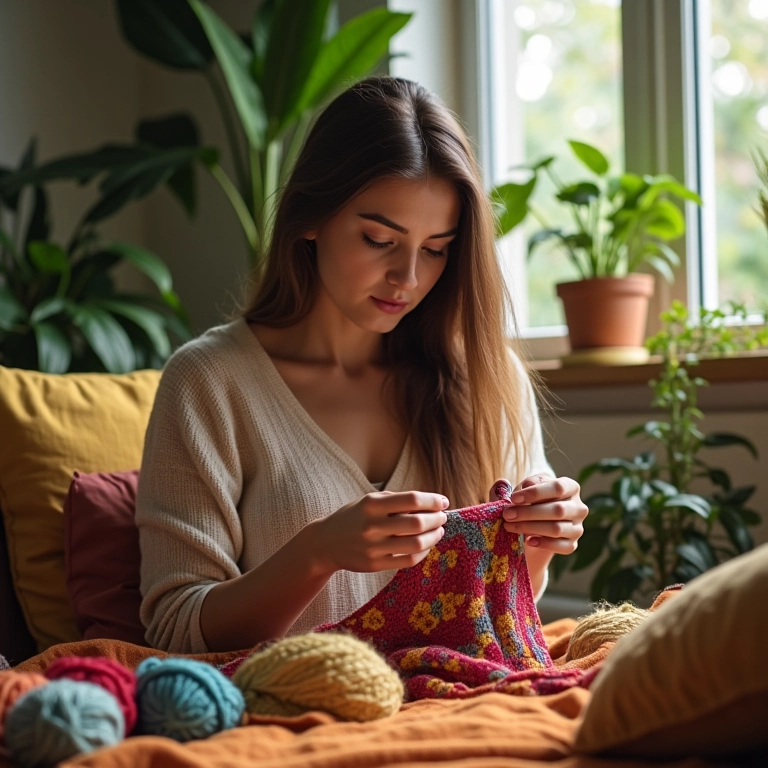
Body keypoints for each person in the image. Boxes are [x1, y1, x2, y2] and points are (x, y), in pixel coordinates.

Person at [135, 76, 589, 654]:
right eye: (379, 239)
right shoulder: (210, 384)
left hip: (462, 707)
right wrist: (317, 553)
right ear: (311, 218)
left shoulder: (485, 375)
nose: (408, 278)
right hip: (298, 717)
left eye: (436, 249)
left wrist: (543, 534)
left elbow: (505, 612)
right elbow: (176, 629)